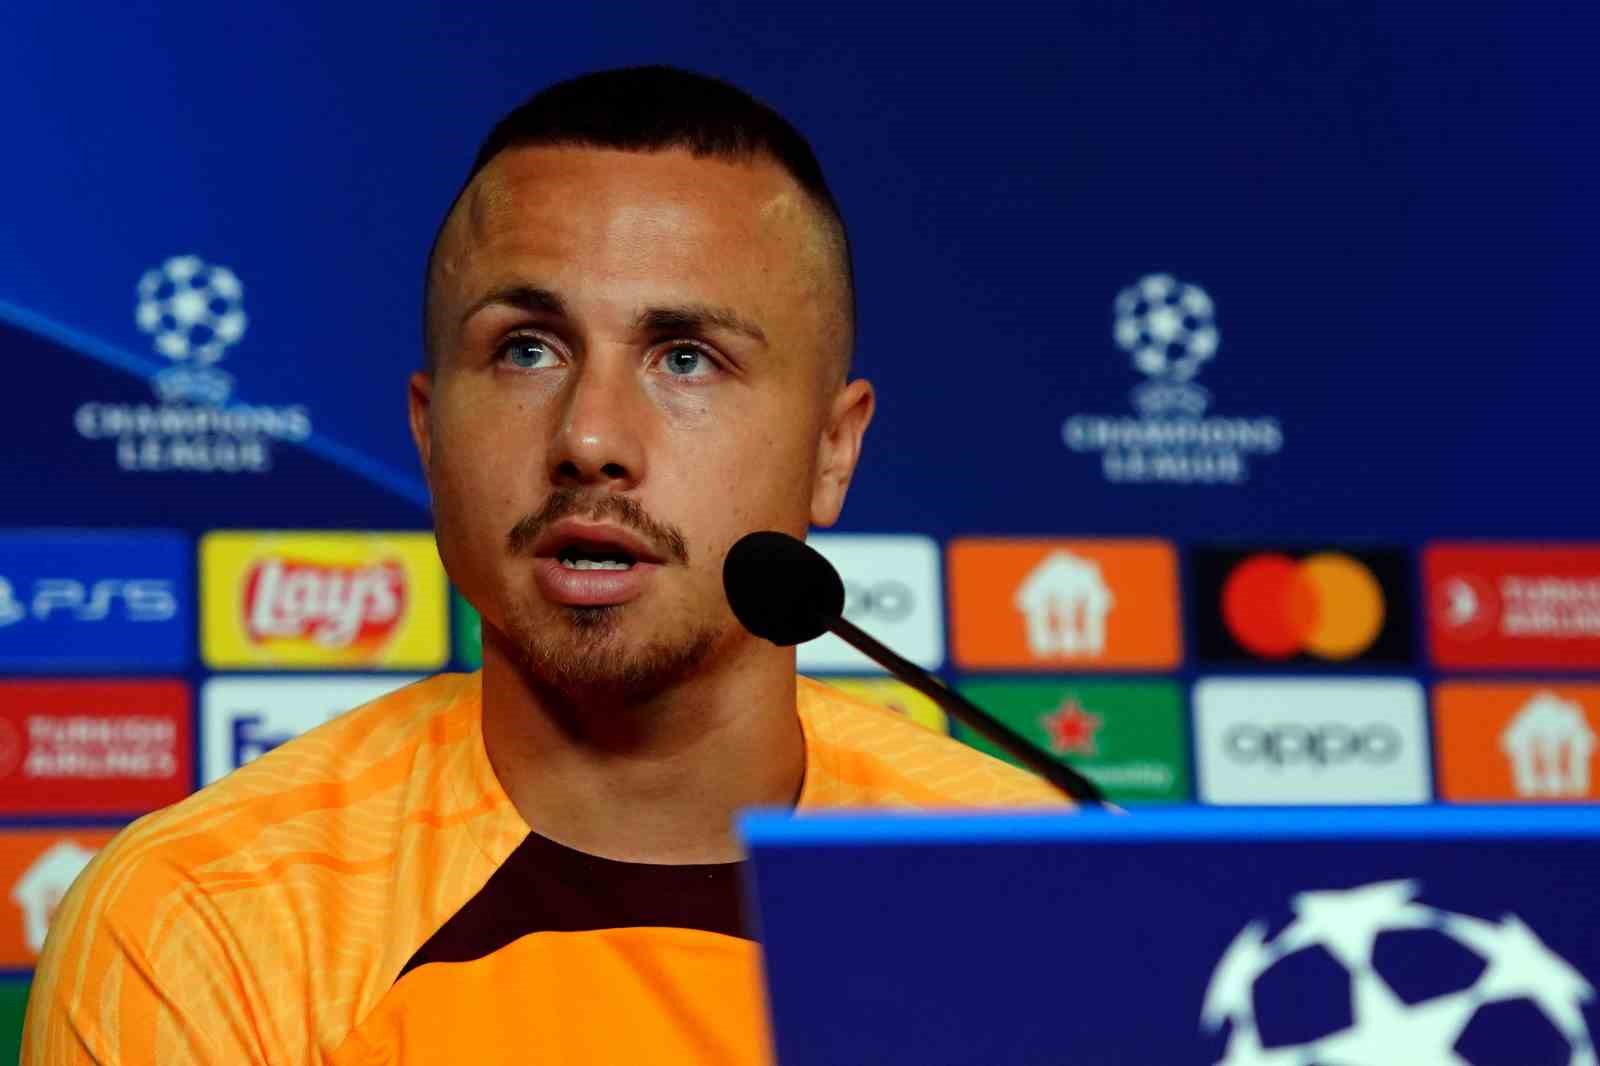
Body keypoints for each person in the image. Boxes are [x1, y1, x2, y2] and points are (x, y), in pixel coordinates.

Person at [24, 66, 1065, 1065]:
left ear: (832, 450)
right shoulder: (200, 916)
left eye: (686, 358)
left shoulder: (1039, 884)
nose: (590, 437)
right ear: (429, 431)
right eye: (527, 349)